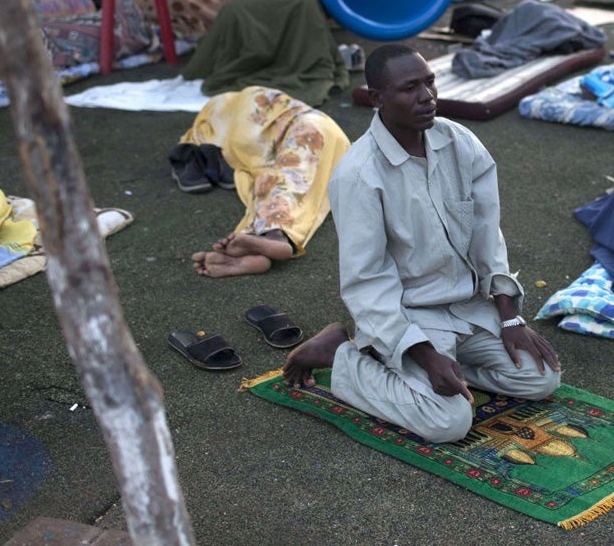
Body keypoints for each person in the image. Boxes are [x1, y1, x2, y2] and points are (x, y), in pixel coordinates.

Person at [284, 44, 561, 444]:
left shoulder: (460, 142)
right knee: (448, 423)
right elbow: (367, 283)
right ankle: (341, 355)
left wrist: (509, 317)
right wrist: (427, 356)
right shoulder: (359, 176)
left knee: (541, 378)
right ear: (378, 99)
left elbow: (488, 236)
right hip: (410, 318)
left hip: (466, 309)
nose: (427, 96)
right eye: (409, 88)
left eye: (429, 82)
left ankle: (439, 371)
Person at [177, 85, 351, 277]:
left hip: (311, 128)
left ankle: (271, 236)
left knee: (288, 176)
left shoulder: (220, 109)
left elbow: (212, 141)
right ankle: (266, 237)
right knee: (286, 178)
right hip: (327, 135)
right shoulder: (243, 102)